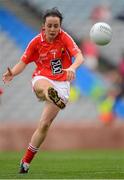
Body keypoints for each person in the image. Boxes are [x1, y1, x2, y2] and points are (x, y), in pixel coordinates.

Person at [2, 8, 84, 173]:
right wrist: (13, 73)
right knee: (44, 86)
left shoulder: (65, 37)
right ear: (43, 26)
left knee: (44, 124)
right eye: (50, 26)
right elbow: (22, 63)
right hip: (41, 78)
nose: (53, 29)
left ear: (60, 27)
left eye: (56, 26)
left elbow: (80, 56)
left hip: (62, 83)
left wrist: (73, 68)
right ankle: (50, 94)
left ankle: (25, 163)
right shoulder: (36, 42)